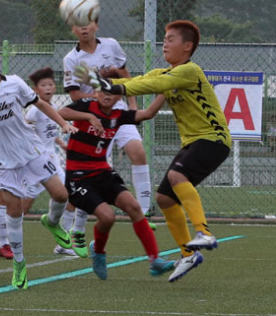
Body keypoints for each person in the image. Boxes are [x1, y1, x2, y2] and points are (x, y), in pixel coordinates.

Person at [80, 20, 231, 282]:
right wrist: (101, 80)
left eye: (171, 39)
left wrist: (110, 85)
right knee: (165, 198)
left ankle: (203, 232)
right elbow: (141, 80)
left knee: (176, 177)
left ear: (187, 46)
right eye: (164, 38)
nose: (165, 42)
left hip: (213, 139)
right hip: (193, 143)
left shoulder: (190, 70)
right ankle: (189, 254)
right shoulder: (165, 73)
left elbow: (144, 87)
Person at [0, 37, 76, 289]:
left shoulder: (14, 82)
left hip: (31, 150)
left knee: (61, 194)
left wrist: (63, 123)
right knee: (14, 211)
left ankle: (52, 222)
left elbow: (41, 104)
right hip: (2, 161)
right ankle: (19, 264)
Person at [59, 91, 173, 280]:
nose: (107, 96)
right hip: (78, 177)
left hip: (102, 172)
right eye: (103, 92)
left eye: (112, 94)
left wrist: (166, 90)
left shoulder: (118, 115)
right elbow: (61, 112)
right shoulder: (86, 105)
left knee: (134, 207)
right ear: (96, 93)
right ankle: (99, 251)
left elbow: (148, 113)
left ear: (118, 98)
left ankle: (155, 260)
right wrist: (89, 117)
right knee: (108, 217)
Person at [63, 20, 155, 229]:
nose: (84, 28)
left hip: (118, 109)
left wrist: (131, 104)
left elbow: (125, 77)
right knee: (92, 169)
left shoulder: (111, 45)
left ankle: (145, 211)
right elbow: (76, 96)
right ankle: (72, 228)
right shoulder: (71, 59)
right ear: (73, 30)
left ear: (96, 25)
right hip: (93, 116)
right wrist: (100, 82)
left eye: (88, 23)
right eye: (79, 25)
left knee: (138, 152)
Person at [24, 67, 88, 258]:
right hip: (36, 163)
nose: (49, 88)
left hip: (51, 161)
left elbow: (49, 133)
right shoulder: (35, 111)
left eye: (51, 84)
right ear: (35, 90)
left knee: (69, 195)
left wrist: (61, 144)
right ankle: (5, 233)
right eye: (43, 85)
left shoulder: (52, 110)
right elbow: (26, 129)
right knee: (21, 208)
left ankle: (62, 242)